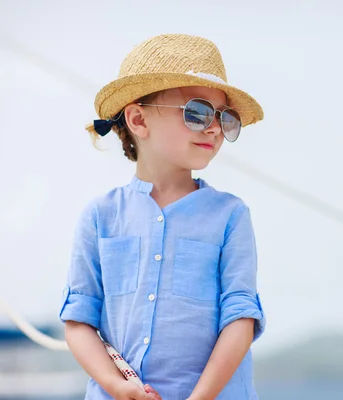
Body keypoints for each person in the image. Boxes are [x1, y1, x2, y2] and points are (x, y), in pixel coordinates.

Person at [58, 33, 266, 400]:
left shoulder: (231, 216)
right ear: (138, 120)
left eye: (224, 117)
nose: (215, 127)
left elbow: (240, 318)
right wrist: (117, 387)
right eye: (198, 112)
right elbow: (78, 321)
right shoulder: (99, 217)